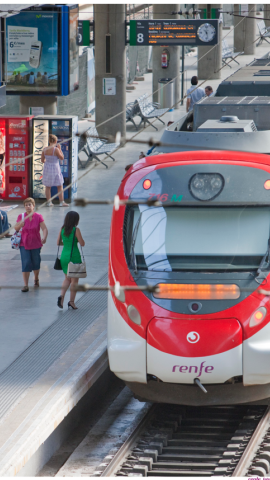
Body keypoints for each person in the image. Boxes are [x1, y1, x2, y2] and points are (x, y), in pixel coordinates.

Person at [15, 197, 48, 292]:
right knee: (25, 263)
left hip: (36, 243)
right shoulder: (21, 216)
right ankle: (26, 285)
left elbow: (44, 228)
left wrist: (44, 237)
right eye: (26, 205)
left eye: (30, 205)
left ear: (33, 206)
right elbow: (16, 229)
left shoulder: (38, 216)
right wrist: (19, 225)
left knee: (36, 262)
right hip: (24, 243)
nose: (28, 207)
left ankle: (36, 278)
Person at [57, 211, 85, 310]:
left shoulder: (62, 229)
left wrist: (67, 241)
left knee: (67, 279)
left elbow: (58, 242)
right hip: (74, 257)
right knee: (74, 281)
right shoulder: (76, 230)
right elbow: (82, 243)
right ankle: (71, 302)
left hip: (64, 257)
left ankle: (61, 296)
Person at [41, 134, 69, 207]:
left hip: (47, 168)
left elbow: (42, 160)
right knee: (59, 185)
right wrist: (60, 149)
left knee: (48, 186)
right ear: (56, 141)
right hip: (55, 168)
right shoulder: (55, 149)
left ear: (49, 141)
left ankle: (49, 202)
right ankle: (61, 202)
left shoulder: (44, 149)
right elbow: (62, 158)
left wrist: (48, 162)